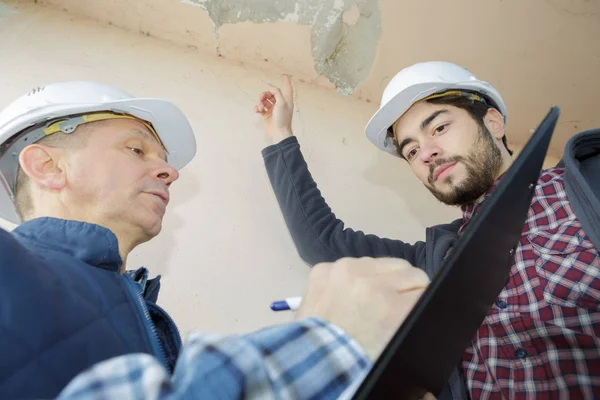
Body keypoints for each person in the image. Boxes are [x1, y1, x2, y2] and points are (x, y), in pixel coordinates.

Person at [0, 81, 432, 399]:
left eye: (164, 160)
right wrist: (328, 342)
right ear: (48, 166)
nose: (171, 172)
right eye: (136, 149)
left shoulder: (141, 311)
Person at [255, 62, 600, 399]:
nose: (427, 153)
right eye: (412, 150)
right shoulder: (435, 263)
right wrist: (279, 135)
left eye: (438, 128)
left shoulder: (586, 182)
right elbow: (323, 243)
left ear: (492, 122)